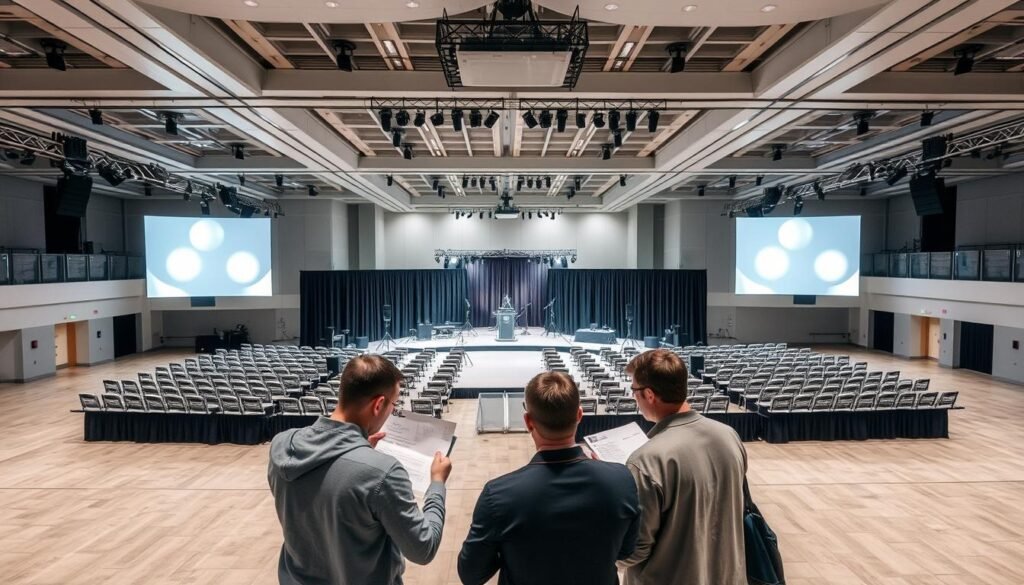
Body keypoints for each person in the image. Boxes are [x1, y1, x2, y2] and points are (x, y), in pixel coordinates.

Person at [268, 354, 453, 585]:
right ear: (378, 405)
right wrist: (437, 484)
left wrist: (359, 449)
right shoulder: (381, 472)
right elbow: (423, 549)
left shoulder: (282, 445)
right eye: (394, 405)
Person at [458, 371, 640, 585]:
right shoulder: (621, 481)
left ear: (528, 421)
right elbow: (625, 551)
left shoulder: (498, 495)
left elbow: (471, 575)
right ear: (580, 415)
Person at [618, 349, 747, 585]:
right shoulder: (729, 436)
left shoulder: (646, 460)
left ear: (649, 394)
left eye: (634, 390)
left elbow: (634, 551)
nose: (633, 396)